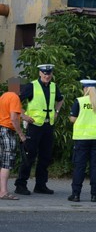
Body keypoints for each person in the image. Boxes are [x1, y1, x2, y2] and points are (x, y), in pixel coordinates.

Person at [14, 64, 64, 195]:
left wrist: (57, 111)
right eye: (44, 73)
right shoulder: (32, 86)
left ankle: (40, 185)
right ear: (40, 73)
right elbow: (15, 101)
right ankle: (20, 185)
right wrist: (23, 115)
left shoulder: (53, 86)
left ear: (52, 74)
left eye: (49, 73)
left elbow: (60, 100)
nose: (47, 76)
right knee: (29, 155)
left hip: (48, 125)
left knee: (45, 156)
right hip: (35, 126)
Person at [68, 79, 96, 202]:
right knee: (95, 167)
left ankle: (76, 195)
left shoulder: (79, 101)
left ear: (85, 89)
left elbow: (73, 119)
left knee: (79, 166)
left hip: (82, 139)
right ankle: (95, 195)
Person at [0, 78, 30, 200]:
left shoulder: (3, 96)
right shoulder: (14, 98)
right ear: (19, 88)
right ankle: (3, 192)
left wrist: (24, 116)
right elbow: (13, 118)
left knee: (1, 161)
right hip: (8, 130)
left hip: (0, 128)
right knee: (6, 162)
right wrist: (21, 135)